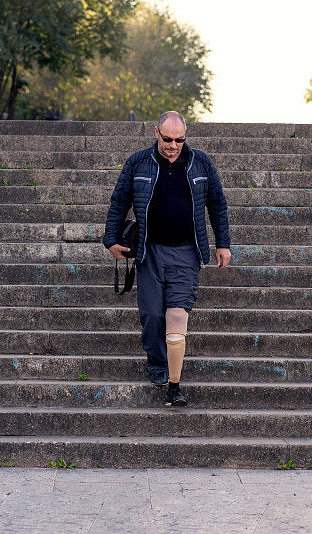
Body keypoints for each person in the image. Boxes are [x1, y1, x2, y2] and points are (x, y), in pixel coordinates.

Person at [102, 111, 231, 407]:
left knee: (176, 317)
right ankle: (157, 362)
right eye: (168, 138)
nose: (173, 145)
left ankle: (172, 380)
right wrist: (111, 239)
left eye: (180, 139)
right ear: (156, 132)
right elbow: (119, 200)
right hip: (150, 250)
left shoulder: (200, 162)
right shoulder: (137, 162)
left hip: (187, 251)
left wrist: (222, 243)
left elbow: (217, 203)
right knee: (151, 316)